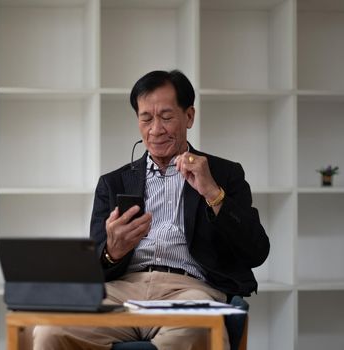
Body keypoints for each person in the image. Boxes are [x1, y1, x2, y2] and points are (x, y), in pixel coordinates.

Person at [33, 70, 270, 350]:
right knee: (49, 331)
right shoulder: (113, 183)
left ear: (189, 116)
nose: (155, 129)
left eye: (167, 117)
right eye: (146, 118)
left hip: (189, 291)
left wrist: (213, 194)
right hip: (122, 291)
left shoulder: (224, 174)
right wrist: (112, 251)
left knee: (193, 332)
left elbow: (256, 251)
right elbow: (95, 265)